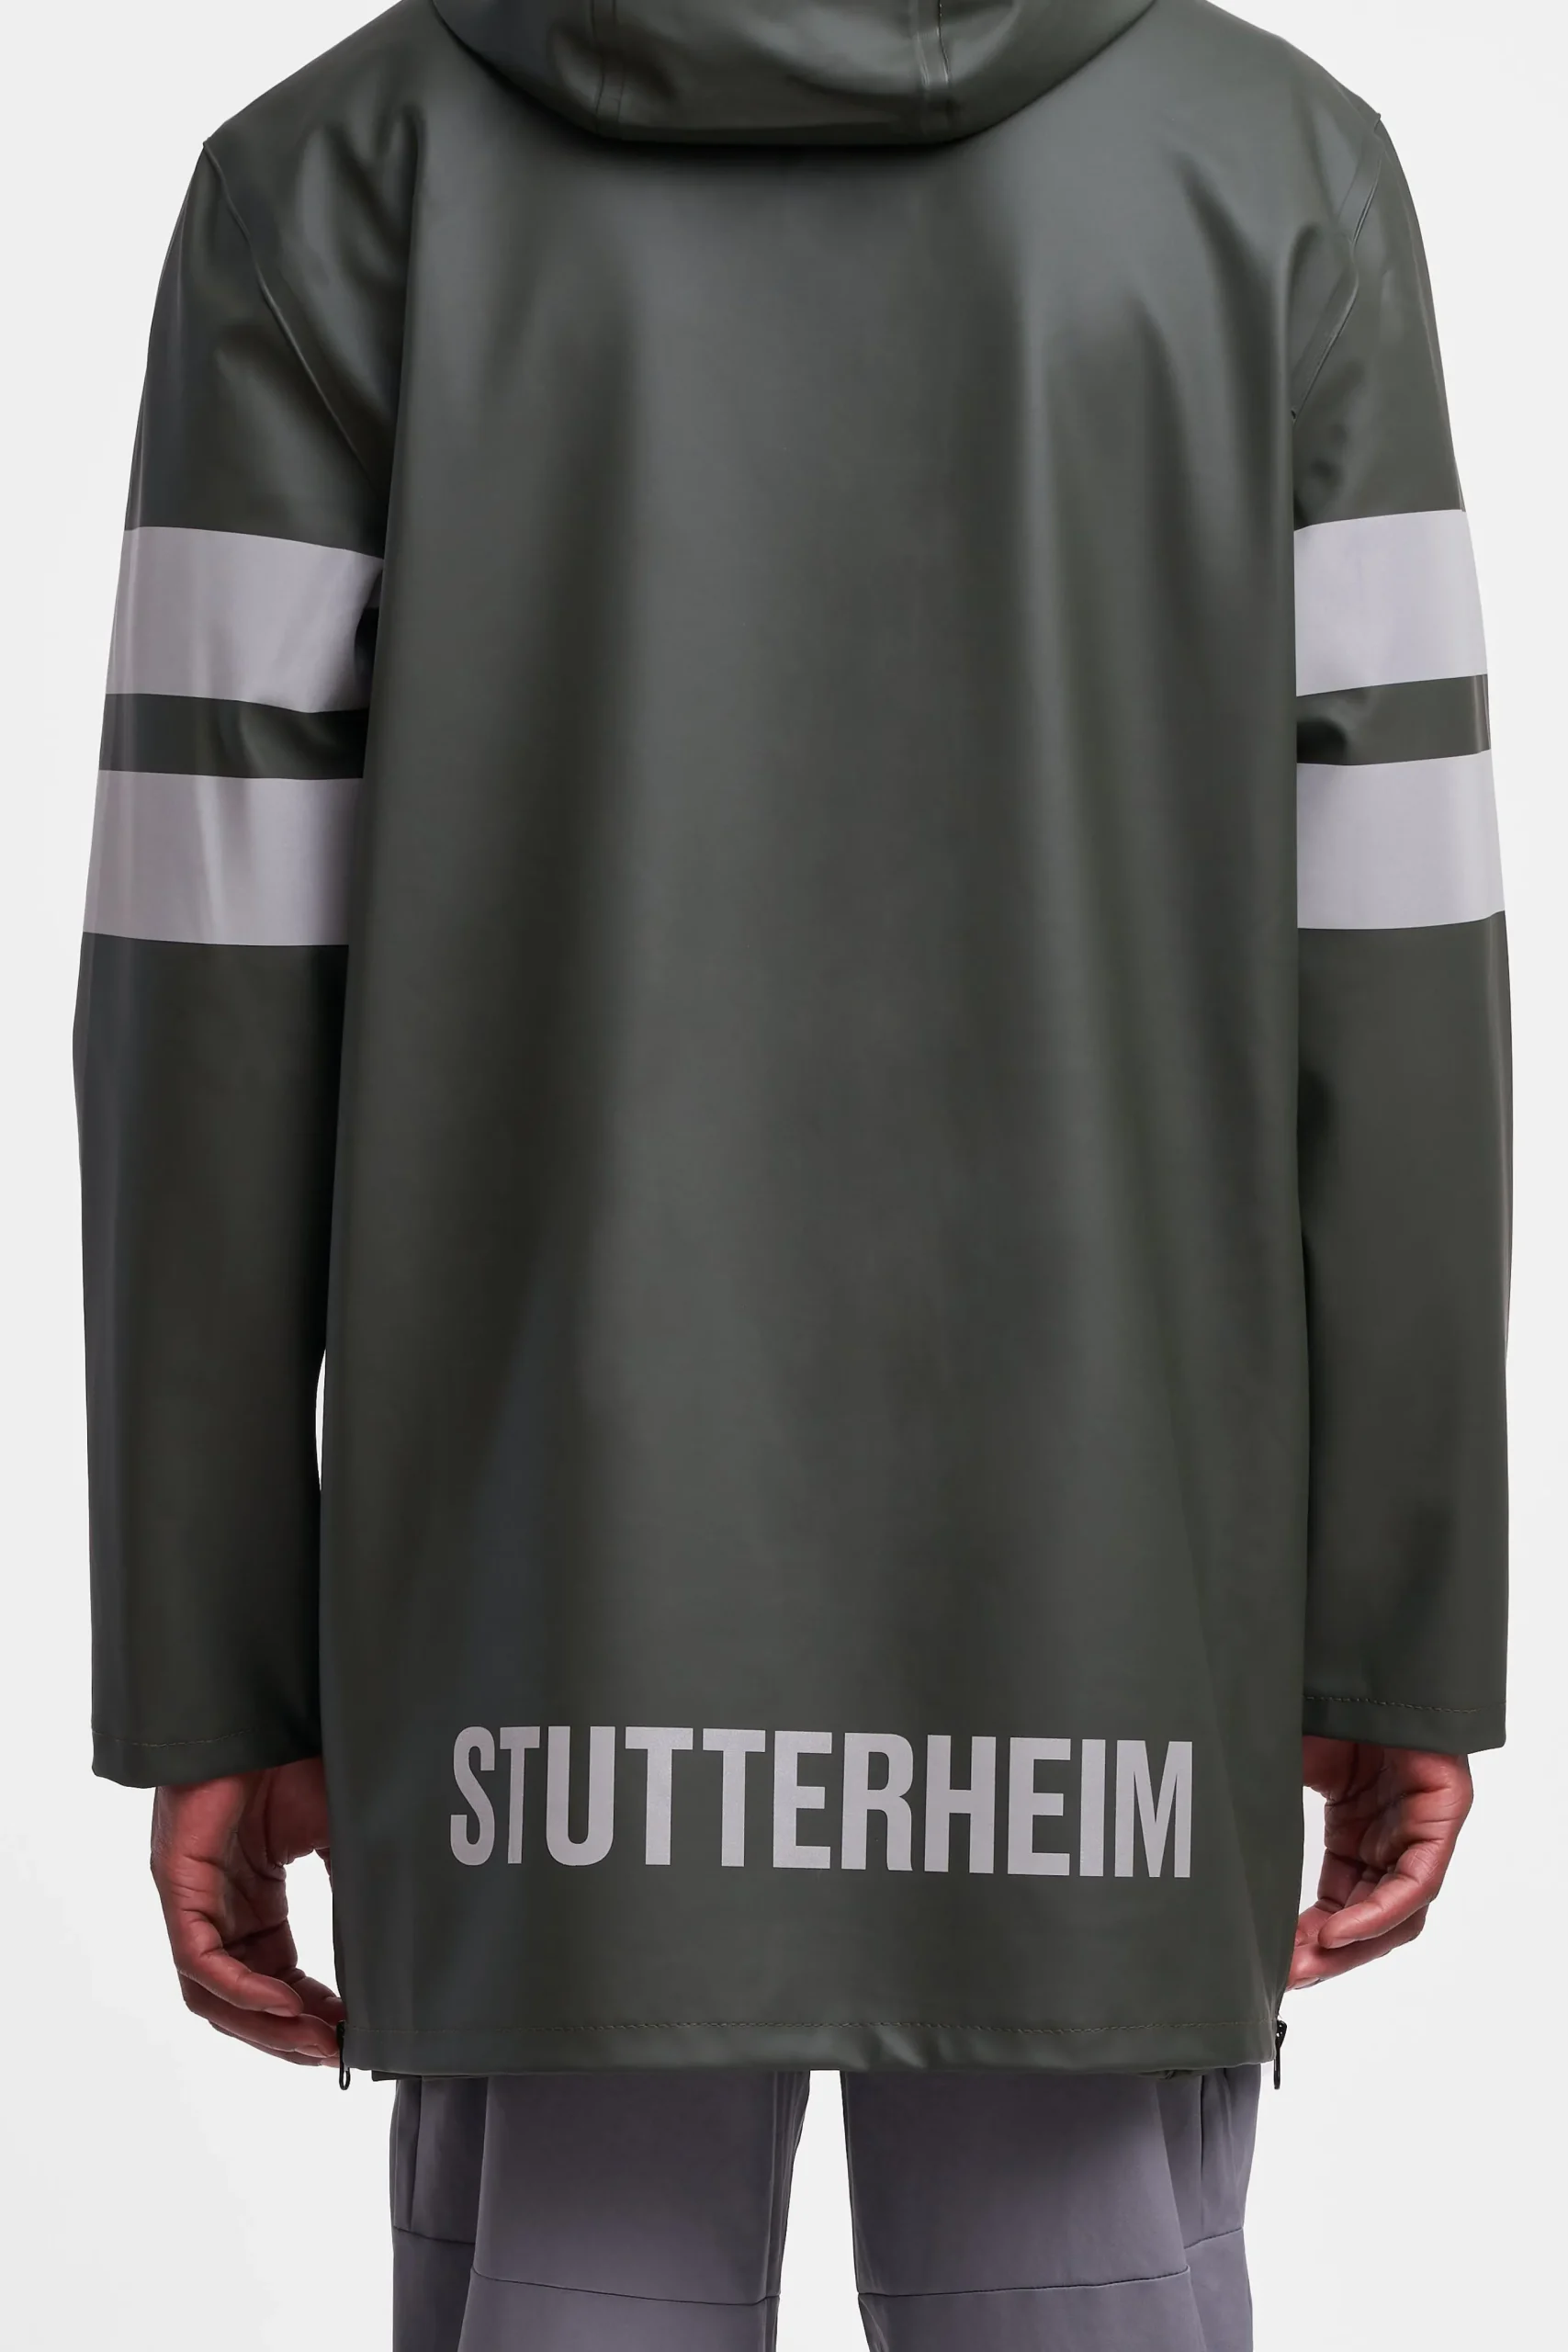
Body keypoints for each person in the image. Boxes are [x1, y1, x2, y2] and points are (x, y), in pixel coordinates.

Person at [77, 3, 1509, 2346]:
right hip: (1102, 1642)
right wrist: (1391, 1620)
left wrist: (217, 1655)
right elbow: (1396, 961)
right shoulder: (1279, 176)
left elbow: (209, 990)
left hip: (545, 1660)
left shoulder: (329, 182)